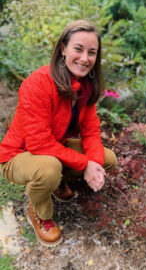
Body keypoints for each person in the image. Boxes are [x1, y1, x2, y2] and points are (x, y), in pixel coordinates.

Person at [0, 20, 117, 247]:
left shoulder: (86, 86)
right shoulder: (38, 83)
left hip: (53, 148)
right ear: (63, 48)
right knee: (49, 169)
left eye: (92, 52)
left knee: (106, 159)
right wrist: (84, 165)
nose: (85, 58)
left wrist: (92, 163)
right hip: (18, 154)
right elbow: (39, 144)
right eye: (78, 49)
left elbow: (91, 130)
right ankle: (39, 213)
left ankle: (55, 182)